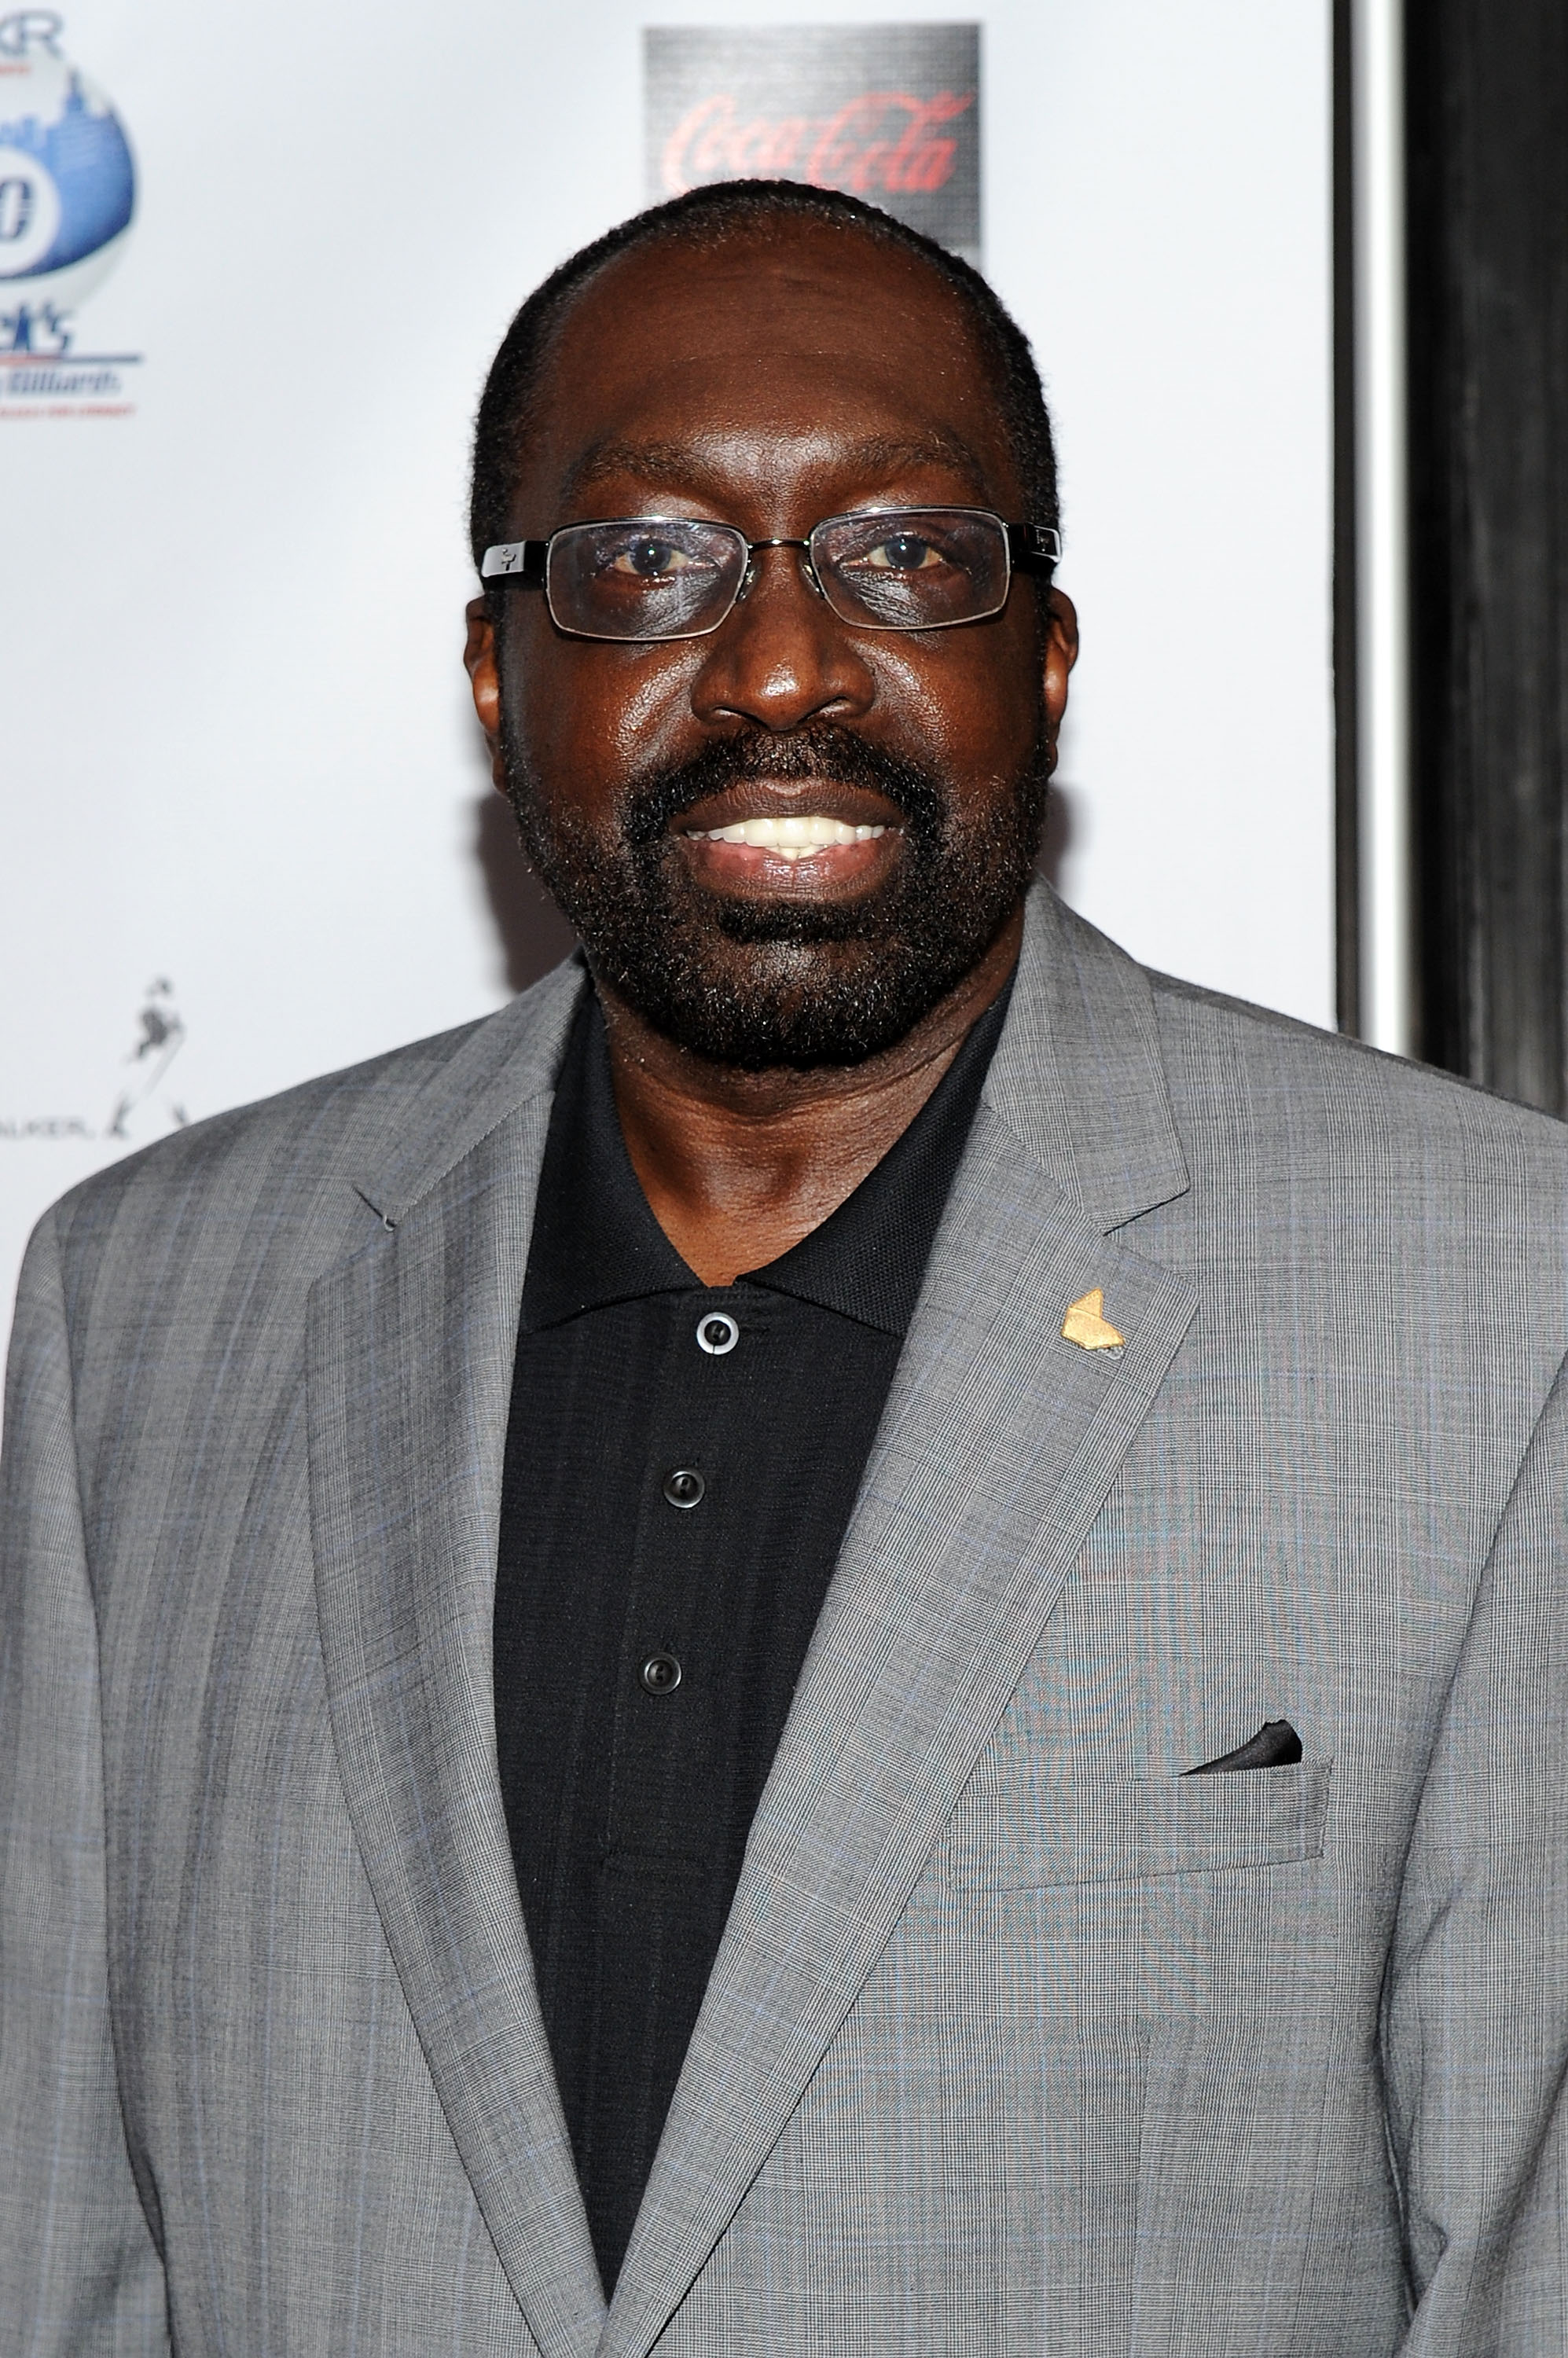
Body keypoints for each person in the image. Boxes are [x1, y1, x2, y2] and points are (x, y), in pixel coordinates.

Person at [2, 179, 1566, 2358]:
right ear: (493, 668)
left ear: (1042, 654)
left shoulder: (1493, 1304)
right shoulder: (146, 1316)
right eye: (644, 563)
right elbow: (57, 2254)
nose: (779, 667)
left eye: (904, 555)